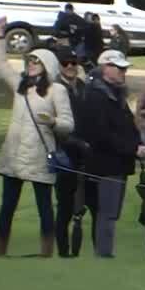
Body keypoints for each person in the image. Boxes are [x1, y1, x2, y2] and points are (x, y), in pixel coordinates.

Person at [0, 37, 75, 258]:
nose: (30, 64)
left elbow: (68, 124)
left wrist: (52, 122)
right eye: (29, 60)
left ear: (47, 65)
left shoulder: (57, 90)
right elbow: (0, 63)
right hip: (14, 155)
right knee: (7, 206)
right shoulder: (20, 85)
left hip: (40, 155)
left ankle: (46, 253)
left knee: (45, 207)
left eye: (35, 61)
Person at [77, 50, 145, 258]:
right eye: (119, 68)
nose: (123, 72)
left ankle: (104, 252)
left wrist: (138, 145)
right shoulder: (96, 96)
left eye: (124, 69)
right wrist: (133, 149)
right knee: (107, 213)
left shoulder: (115, 94)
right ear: (106, 68)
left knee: (111, 212)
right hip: (104, 164)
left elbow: (127, 126)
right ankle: (104, 255)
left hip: (118, 163)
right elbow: (101, 134)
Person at [53, 49, 89, 256]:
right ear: (59, 66)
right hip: (64, 154)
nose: (70, 66)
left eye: (73, 62)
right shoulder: (55, 89)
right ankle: (63, 250)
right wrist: (77, 143)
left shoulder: (84, 88)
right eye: (66, 63)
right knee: (65, 206)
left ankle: (77, 251)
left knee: (81, 207)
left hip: (85, 154)